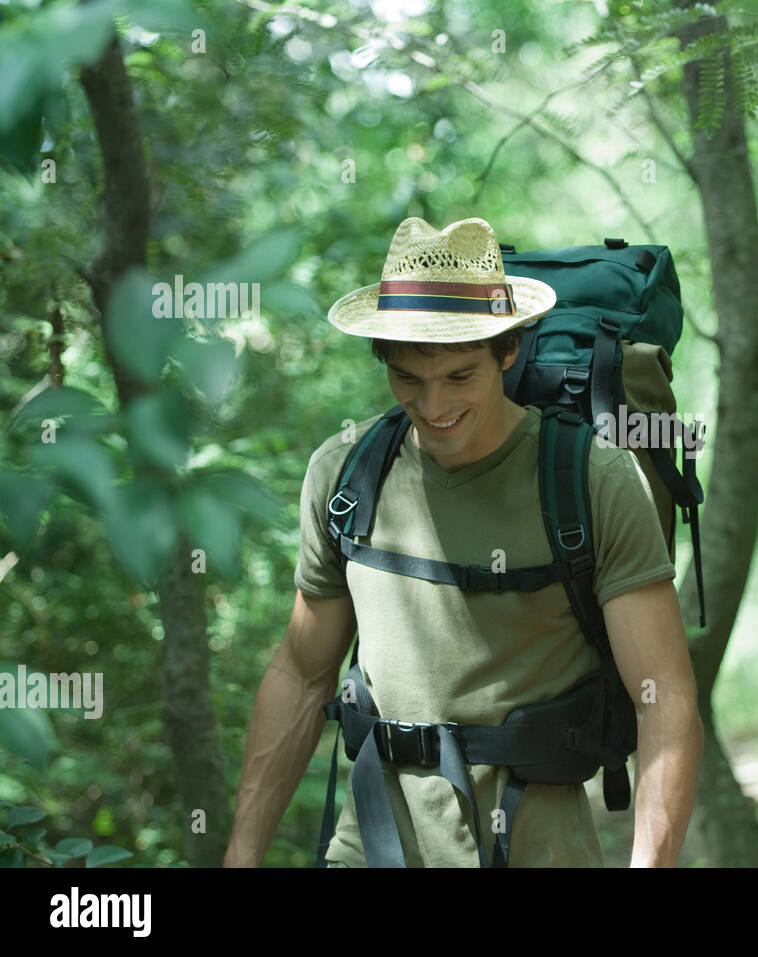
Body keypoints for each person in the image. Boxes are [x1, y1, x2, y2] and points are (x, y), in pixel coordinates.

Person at [224, 216, 702, 867]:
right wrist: (241, 853)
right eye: (408, 379)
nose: (433, 404)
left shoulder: (593, 481)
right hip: (371, 846)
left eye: (458, 376)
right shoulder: (346, 475)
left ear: (508, 350)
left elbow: (664, 697)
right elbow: (303, 673)